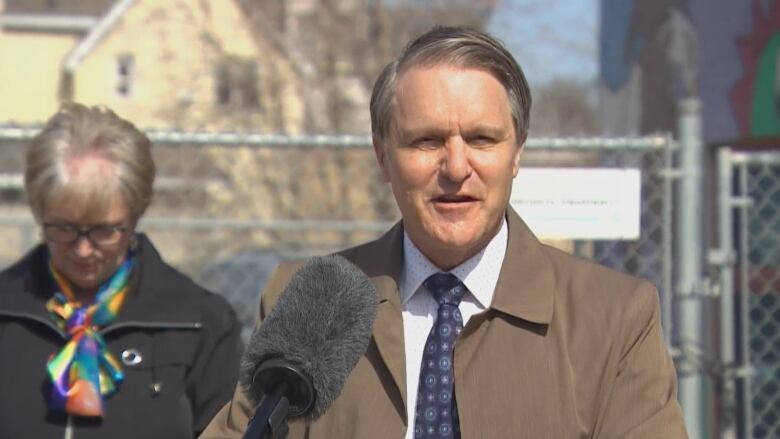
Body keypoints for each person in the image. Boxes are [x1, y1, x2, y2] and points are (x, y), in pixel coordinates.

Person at [201, 26, 687, 438]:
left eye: (481, 139)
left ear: (516, 152)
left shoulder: (613, 318)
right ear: (383, 156)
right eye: (426, 140)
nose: (456, 167)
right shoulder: (313, 301)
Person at [0, 103, 242, 439]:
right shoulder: (7, 312)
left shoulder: (199, 323)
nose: (83, 250)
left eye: (104, 231)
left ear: (135, 216)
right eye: (64, 229)